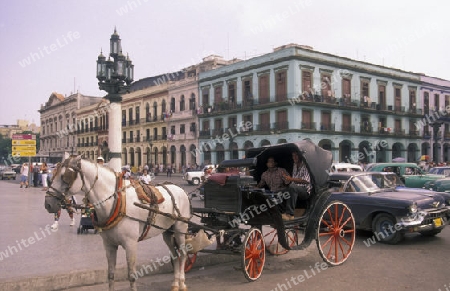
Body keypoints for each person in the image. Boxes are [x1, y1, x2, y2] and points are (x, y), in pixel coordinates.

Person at [282, 152, 311, 221]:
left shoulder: (306, 165)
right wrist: (287, 179)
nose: (294, 157)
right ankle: (281, 212)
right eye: (293, 155)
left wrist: (291, 179)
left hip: (305, 190)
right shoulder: (295, 165)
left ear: (300, 156)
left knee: (292, 187)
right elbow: (294, 179)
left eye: (296, 155)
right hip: (296, 188)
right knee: (282, 191)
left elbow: (306, 181)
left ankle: (290, 214)